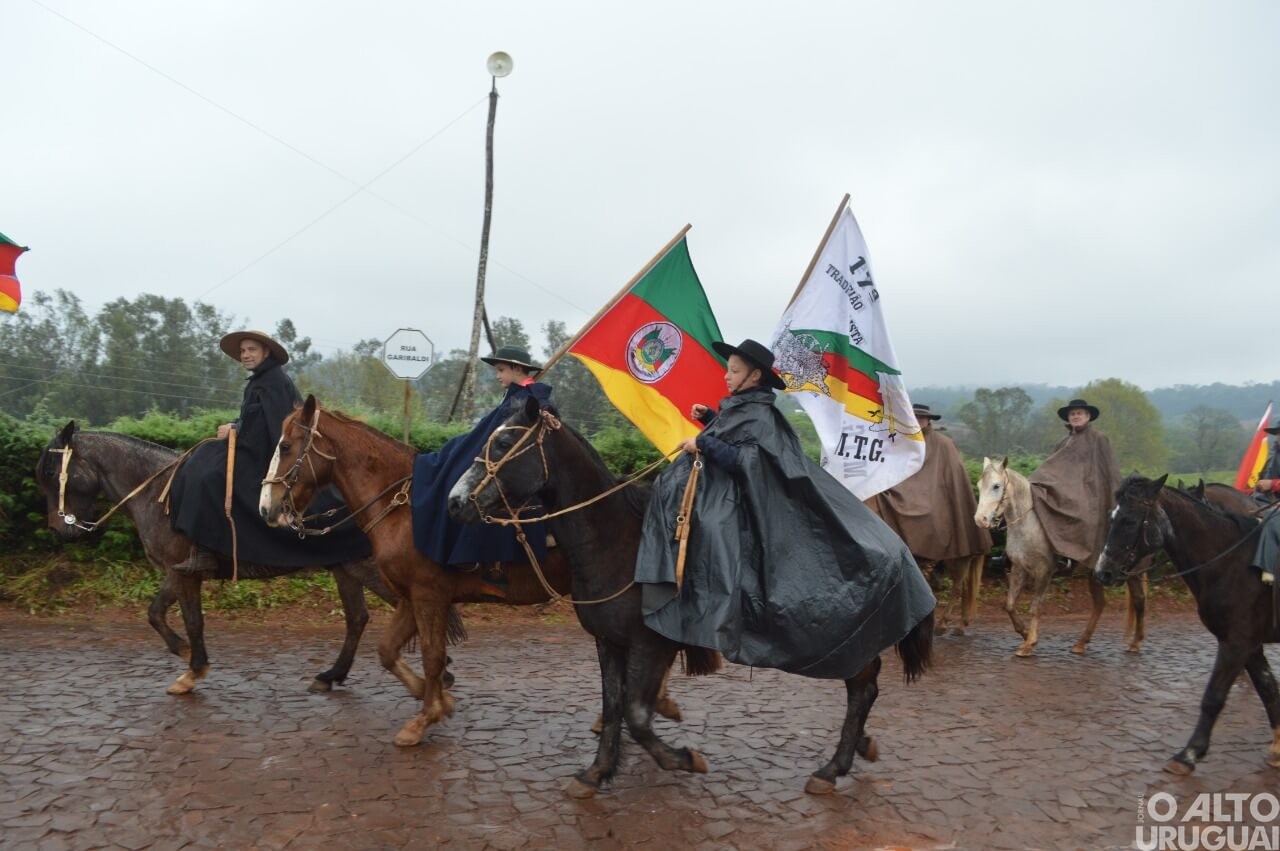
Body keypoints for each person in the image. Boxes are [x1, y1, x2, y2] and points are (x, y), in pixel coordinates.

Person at [635, 338, 935, 680]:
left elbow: (748, 459)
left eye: (734, 371)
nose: (727, 377)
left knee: (714, 526)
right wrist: (711, 420)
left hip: (752, 500)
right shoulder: (741, 407)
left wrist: (702, 442)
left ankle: (721, 606)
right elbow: (737, 439)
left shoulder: (763, 415)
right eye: (728, 370)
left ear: (755, 376)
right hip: (731, 490)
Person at [168, 330, 371, 572]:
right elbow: (252, 417)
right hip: (255, 449)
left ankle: (207, 551)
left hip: (267, 456)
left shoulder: (273, 381)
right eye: (243, 351)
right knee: (203, 461)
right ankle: (202, 546)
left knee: (208, 476)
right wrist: (236, 425)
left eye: (251, 349)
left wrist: (236, 431)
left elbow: (276, 429)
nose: (245, 355)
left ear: (266, 352)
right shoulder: (259, 380)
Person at [410, 345, 553, 599]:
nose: (497, 375)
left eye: (501, 370)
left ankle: (485, 565)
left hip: (512, 468)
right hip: (490, 455)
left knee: (472, 486)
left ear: (517, 369)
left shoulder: (529, 398)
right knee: (453, 461)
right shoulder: (515, 394)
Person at [866, 403, 993, 627]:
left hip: (935, 501)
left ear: (928, 420)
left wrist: (929, 496)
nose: (918, 421)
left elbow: (954, 480)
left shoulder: (944, 445)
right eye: (914, 418)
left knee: (930, 518)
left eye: (921, 418)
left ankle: (926, 579)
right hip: (901, 496)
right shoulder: (899, 442)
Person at [1026, 398, 1119, 572]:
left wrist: (1115, 497)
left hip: (1091, 493)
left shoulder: (1099, 438)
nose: (1075, 416)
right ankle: (1041, 553)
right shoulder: (1063, 442)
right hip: (1064, 490)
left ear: (1088, 416)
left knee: (1082, 515)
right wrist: (1033, 481)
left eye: (1079, 413)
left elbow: (1110, 470)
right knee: (1034, 497)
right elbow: (1052, 468)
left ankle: (1072, 556)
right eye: (1072, 414)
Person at [1249, 420, 1280, 584]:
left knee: (1272, 519)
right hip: (1266, 500)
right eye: (1277, 434)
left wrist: (1273, 484)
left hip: (1275, 506)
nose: (1278, 438)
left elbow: (1272, 483)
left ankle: (1268, 569)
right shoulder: (1272, 458)